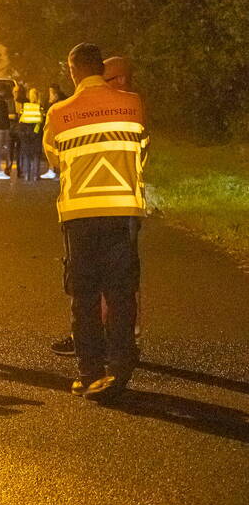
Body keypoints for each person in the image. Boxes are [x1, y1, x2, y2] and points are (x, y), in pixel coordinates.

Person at [43, 43, 148, 402]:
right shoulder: (131, 104)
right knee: (120, 292)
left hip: (79, 215)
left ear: (73, 70)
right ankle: (120, 367)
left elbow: (55, 160)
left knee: (84, 295)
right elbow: (142, 149)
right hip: (122, 212)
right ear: (100, 68)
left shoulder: (59, 112)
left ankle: (89, 373)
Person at [17, 87, 44, 181]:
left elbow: (20, 120)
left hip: (25, 133)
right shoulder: (40, 107)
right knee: (36, 155)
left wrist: (23, 133)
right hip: (35, 134)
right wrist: (35, 133)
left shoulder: (25, 106)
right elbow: (40, 122)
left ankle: (27, 175)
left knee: (27, 154)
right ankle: (36, 175)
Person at [39, 85, 65, 179]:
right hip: (58, 131)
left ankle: (55, 172)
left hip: (57, 131)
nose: (49, 96)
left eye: (50, 93)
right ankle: (52, 170)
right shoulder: (60, 101)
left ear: (55, 94)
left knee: (53, 150)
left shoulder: (57, 104)